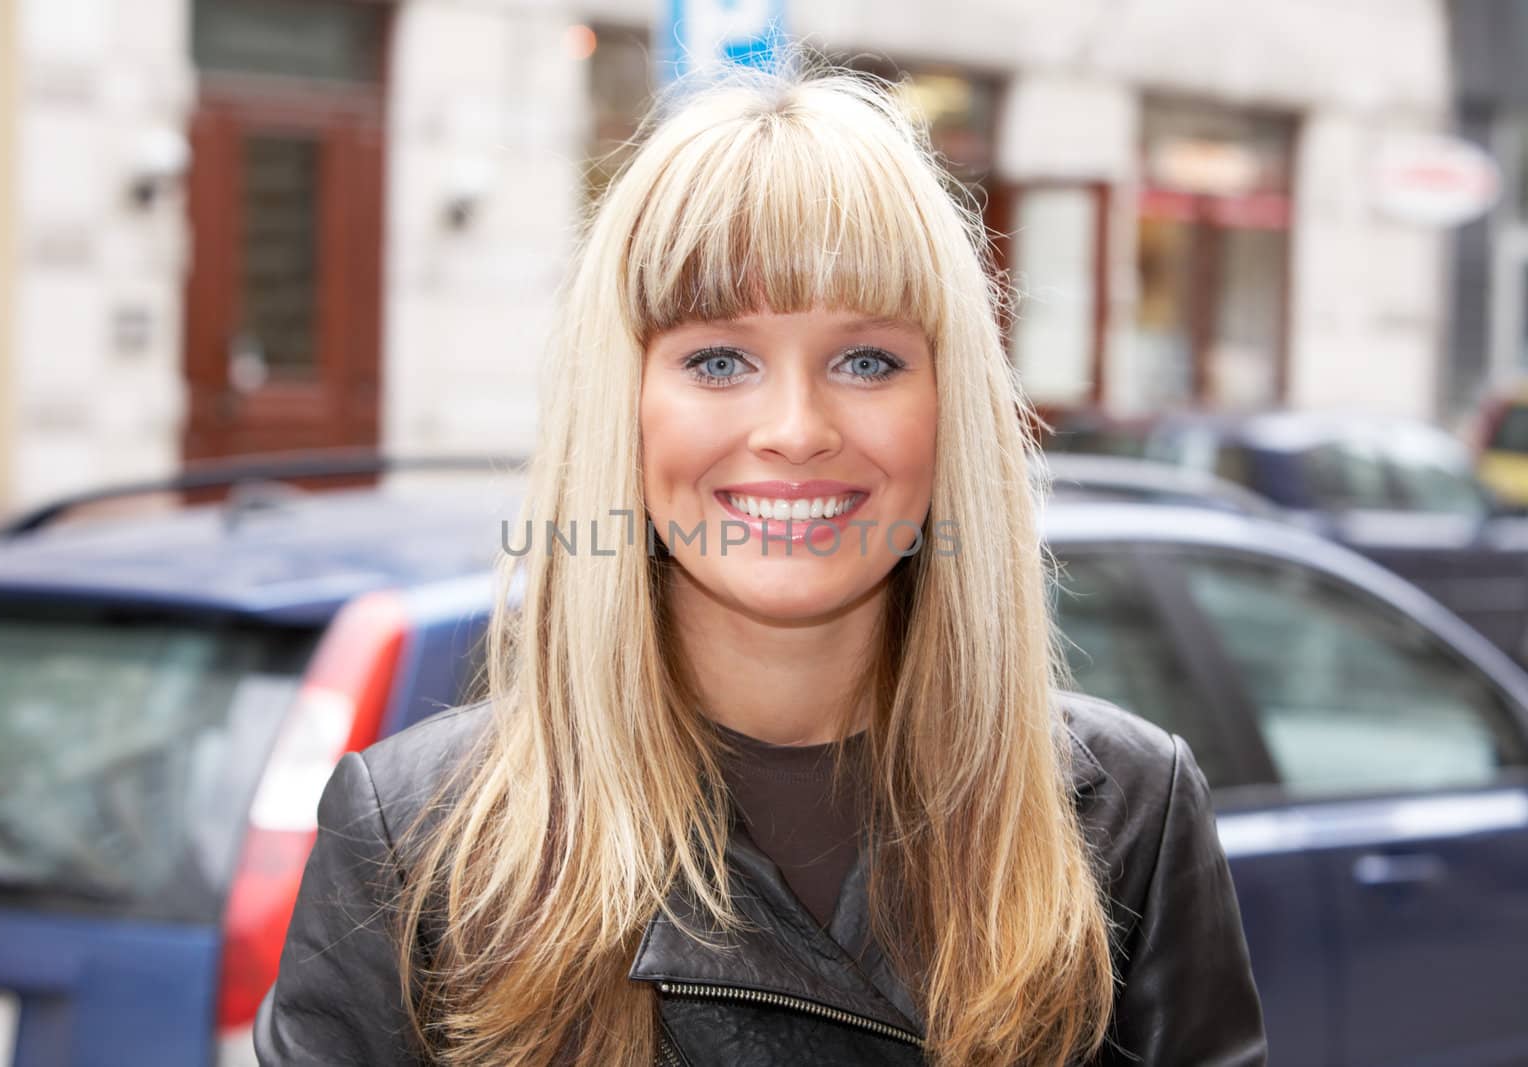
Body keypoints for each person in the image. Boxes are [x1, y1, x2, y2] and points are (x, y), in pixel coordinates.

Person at [254, 61, 1268, 1067]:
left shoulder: (1129, 809)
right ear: (625, 405)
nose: (794, 430)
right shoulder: (415, 838)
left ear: (947, 409)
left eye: (865, 360)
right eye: (717, 360)